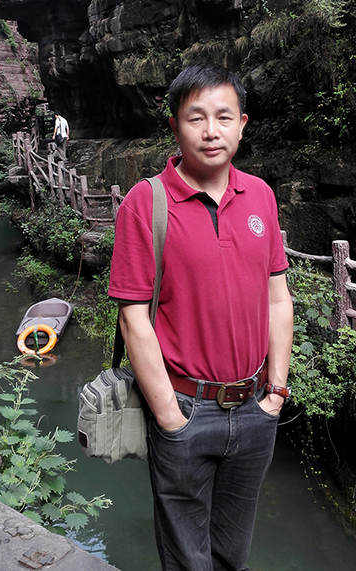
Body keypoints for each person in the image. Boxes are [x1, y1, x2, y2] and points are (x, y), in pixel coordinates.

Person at [108, 64, 293, 571]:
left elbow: (278, 298)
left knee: (232, 554)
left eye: (223, 117)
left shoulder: (260, 195)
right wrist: (169, 416)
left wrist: (276, 393)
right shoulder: (146, 203)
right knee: (188, 560)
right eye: (196, 118)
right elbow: (133, 318)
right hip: (185, 409)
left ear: (242, 125)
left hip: (256, 405)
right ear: (175, 125)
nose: (211, 131)